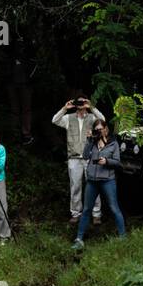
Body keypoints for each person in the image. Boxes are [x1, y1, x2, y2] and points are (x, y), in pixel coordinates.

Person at [71, 121, 126, 250]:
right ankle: (79, 239)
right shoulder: (92, 142)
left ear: (106, 129)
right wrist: (89, 140)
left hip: (108, 180)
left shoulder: (113, 144)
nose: (99, 131)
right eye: (96, 129)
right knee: (86, 210)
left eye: (100, 129)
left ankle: (123, 237)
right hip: (92, 181)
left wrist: (107, 161)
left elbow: (118, 163)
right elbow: (85, 156)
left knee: (114, 208)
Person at [52, 94, 104, 224]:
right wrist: (65, 108)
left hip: (90, 157)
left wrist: (91, 107)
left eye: (83, 102)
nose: (81, 105)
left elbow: (103, 120)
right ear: (75, 104)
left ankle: (96, 213)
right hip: (74, 158)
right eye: (79, 103)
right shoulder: (68, 118)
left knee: (93, 185)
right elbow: (54, 120)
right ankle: (75, 213)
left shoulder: (92, 118)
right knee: (75, 187)